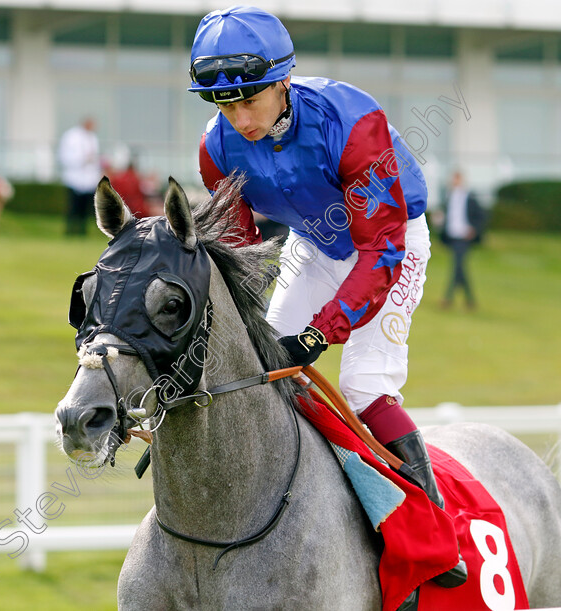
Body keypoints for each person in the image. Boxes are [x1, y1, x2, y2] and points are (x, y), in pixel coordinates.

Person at [188, 6, 465, 599]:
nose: (239, 118)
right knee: (264, 371)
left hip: (391, 242)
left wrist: (318, 335)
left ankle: (433, 536)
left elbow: (378, 256)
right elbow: (242, 261)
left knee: (365, 385)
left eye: (250, 99)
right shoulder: (216, 151)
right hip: (313, 246)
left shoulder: (352, 120)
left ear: (284, 78)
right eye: (223, 104)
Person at [438, 170, 485, 310]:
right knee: (460, 268)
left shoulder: (470, 197)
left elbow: (481, 216)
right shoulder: (448, 196)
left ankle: (448, 298)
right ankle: (470, 300)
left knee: (457, 266)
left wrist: (473, 229)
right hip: (451, 236)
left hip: (463, 237)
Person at [58, 117, 101, 235]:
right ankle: (70, 230)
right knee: (73, 207)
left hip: (88, 179)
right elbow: (65, 157)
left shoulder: (92, 138)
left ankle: (82, 231)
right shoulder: (71, 136)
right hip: (74, 178)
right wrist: (82, 159)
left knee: (85, 209)